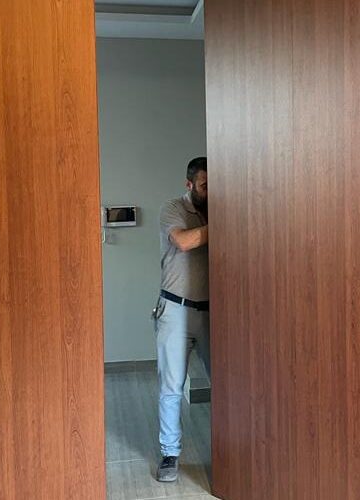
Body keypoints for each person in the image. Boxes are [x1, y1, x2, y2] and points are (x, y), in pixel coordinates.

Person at [153, 156, 210, 482]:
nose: (210, 192)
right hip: (175, 310)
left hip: (214, 312)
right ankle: (170, 453)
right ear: (189, 185)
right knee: (172, 386)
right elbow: (184, 241)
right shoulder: (172, 208)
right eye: (204, 186)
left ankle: (235, 453)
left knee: (229, 384)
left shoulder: (219, 209)